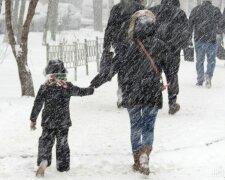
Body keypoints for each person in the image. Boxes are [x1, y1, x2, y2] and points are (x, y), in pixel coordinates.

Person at [91, 10, 168, 175]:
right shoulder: (160, 45)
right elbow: (171, 69)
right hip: (152, 92)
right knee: (148, 127)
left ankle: (136, 158)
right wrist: (173, 90)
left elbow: (112, 68)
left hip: (132, 92)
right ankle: (145, 154)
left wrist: (95, 83)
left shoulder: (126, 46)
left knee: (135, 127)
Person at [30, 60, 94, 177]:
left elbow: (37, 104)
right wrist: (91, 89)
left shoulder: (45, 87)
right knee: (62, 144)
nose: (54, 78)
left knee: (45, 141)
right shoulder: (67, 87)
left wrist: (33, 119)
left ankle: (44, 160)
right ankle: (63, 166)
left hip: (48, 121)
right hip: (63, 121)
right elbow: (80, 91)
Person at [149, 0, 189, 115]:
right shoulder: (180, 13)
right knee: (172, 76)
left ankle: (154, 101)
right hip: (173, 51)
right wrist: (182, 45)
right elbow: (185, 32)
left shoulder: (154, 11)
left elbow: (147, 29)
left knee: (155, 74)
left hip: (155, 50)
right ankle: (172, 102)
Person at [102, 0, 144, 108]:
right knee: (135, 69)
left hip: (119, 43)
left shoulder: (116, 8)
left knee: (122, 68)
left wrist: (106, 45)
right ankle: (133, 94)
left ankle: (122, 92)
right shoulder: (140, 8)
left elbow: (110, 28)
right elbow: (145, 27)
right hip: (136, 43)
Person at [189, 0, 222, 88]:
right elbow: (221, 23)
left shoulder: (196, 10)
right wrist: (218, 32)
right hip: (211, 39)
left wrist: (189, 36)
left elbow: (190, 24)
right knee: (211, 60)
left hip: (199, 39)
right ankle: (208, 75)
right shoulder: (216, 10)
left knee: (200, 60)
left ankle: (200, 79)